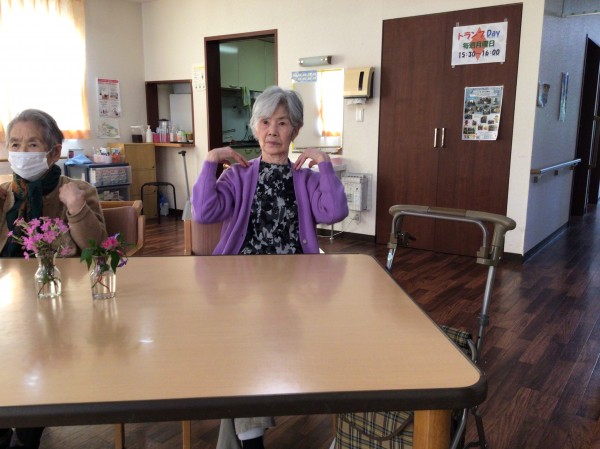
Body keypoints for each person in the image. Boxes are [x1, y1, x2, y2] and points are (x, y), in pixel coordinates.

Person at [191, 86, 348, 449]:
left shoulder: (306, 178)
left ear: (296, 130)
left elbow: (334, 211)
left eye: (282, 123)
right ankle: (251, 441)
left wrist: (324, 165)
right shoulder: (238, 175)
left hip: (295, 285)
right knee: (249, 349)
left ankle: (245, 439)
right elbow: (205, 212)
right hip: (242, 283)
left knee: (252, 352)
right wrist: (211, 160)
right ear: (255, 127)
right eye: (265, 122)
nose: (272, 131)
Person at [0, 109, 107, 448]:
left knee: (39, 355)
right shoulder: (4, 195)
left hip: (59, 302)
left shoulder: (77, 190)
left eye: (32, 144)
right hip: (8, 303)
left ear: (54, 151)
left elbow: (96, 249)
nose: (22, 151)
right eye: (15, 144)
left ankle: (28, 428)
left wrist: (76, 208)